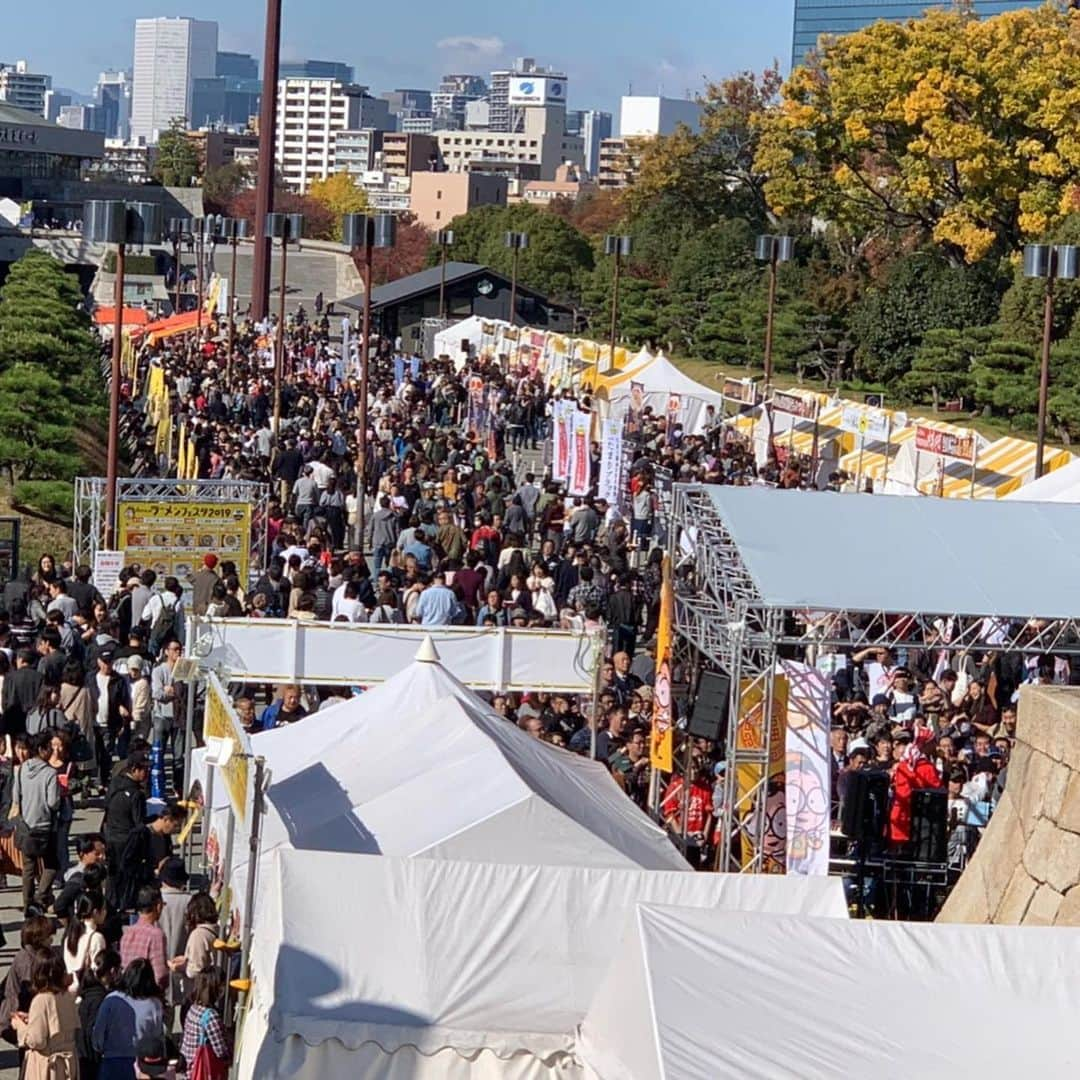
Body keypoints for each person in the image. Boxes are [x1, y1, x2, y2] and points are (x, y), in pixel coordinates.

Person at [91, 957, 164, 1080]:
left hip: (111, 1063)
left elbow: (97, 1037)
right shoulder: (154, 1004)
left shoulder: (111, 1000)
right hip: (140, 1066)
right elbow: (156, 1038)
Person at [14, 732, 61, 915]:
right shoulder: (50, 773)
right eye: (50, 747)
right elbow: (53, 803)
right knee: (51, 864)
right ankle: (41, 897)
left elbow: (16, 796)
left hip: (25, 826)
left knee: (28, 868)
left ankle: (27, 904)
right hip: (44, 827)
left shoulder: (21, 769)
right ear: (41, 750)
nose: (53, 750)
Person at [12, 952, 79, 1080]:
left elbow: (37, 1041)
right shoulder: (67, 997)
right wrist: (32, 1018)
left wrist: (20, 1026)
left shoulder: (41, 1000)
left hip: (47, 1066)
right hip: (67, 1066)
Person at [115, 804, 186, 914]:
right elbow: (127, 865)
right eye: (175, 825)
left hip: (158, 890)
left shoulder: (165, 836)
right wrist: (152, 871)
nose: (176, 830)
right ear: (166, 819)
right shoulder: (140, 835)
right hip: (140, 894)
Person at [102, 752, 148, 899]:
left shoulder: (115, 784)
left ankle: (111, 901)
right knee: (126, 878)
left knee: (112, 875)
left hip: (110, 837)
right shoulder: (137, 795)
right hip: (127, 841)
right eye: (143, 770)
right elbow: (139, 822)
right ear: (134, 769)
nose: (146, 773)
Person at [0, 916, 52, 1044]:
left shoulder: (27, 955)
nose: (51, 940)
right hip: (18, 1014)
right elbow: (29, 992)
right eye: (48, 937)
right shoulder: (28, 963)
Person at [78, 949, 121, 1080]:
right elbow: (96, 1033)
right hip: (94, 1062)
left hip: (82, 1058)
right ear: (113, 971)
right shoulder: (101, 999)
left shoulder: (88, 993)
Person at [180, 969, 231, 1078]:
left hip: (190, 1068)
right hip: (203, 1070)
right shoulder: (211, 1016)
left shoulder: (193, 1008)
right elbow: (220, 1051)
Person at [119, 886, 169, 992]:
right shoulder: (156, 935)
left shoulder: (127, 933)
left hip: (128, 992)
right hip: (146, 994)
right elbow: (160, 975)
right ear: (158, 906)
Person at [62, 889, 107, 992]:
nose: (105, 912)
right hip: (88, 990)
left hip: (71, 989)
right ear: (96, 912)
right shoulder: (96, 937)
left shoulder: (70, 936)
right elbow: (98, 969)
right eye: (104, 909)